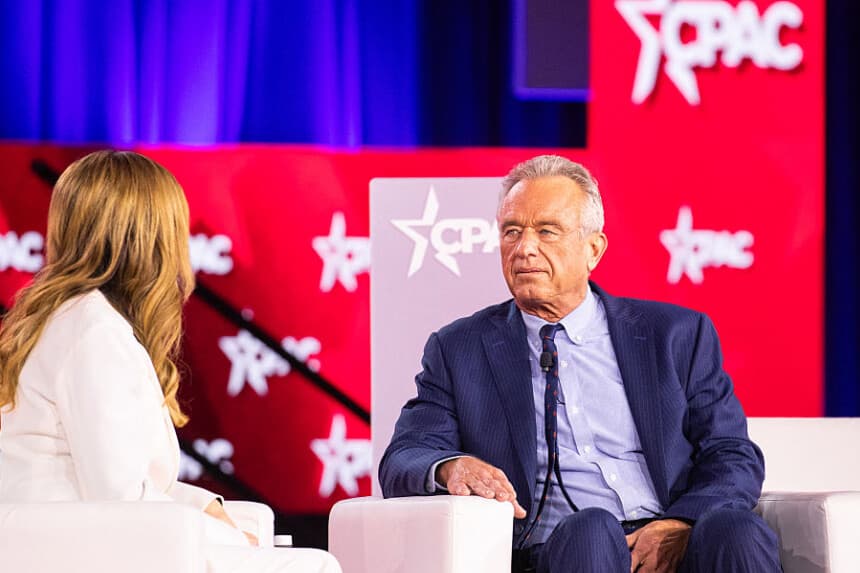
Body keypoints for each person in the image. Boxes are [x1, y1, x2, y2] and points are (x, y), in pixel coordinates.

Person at [379, 155, 781, 573]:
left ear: (594, 249)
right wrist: (450, 466)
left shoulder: (676, 334)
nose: (524, 248)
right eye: (511, 231)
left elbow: (731, 452)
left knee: (737, 530)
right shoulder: (461, 349)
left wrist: (680, 522)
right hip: (564, 547)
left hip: (674, 537)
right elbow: (405, 456)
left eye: (547, 231)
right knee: (593, 529)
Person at [0, 150, 340, 573]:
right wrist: (222, 533)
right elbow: (120, 502)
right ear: (154, 240)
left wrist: (208, 509)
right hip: (76, 550)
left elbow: (130, 488)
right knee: (315, 567)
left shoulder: (80, 319)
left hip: (80, 542)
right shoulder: (92, 330)